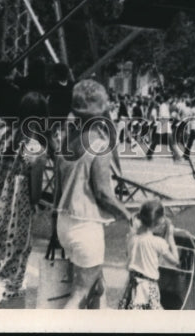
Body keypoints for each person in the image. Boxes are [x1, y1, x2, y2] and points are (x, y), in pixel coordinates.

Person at [53, 79, 133, 309]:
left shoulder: (66, 140)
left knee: (97, 287)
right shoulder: (99, 145)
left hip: (64, 223)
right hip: (85, 224)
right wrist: (128, 215)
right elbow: (103, 194)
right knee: (79, 293)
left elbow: (58, 189)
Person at [0, 91, 48, 308]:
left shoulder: (1, 135)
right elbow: (35, 195)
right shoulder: (36, 149)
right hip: (19, 216)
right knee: (4, 280)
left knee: (9, 276)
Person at [117, 199, 180, 310]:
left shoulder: (131, 238)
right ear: (160, 221)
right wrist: (170, 237)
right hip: (149, 286)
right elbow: (175, 261)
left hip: (132, 285)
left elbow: (129, 255)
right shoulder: (158, 242)